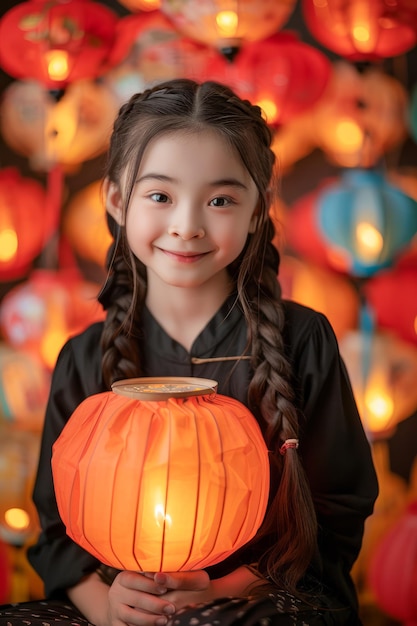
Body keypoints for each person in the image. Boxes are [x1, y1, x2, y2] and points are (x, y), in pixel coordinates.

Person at [0, 79, 378, 626]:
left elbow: (335, 513)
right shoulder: (84, 357)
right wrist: (104, 607)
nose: (187, 226)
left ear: (257, 211)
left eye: (221, 200)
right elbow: (56, 530)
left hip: (262, 602)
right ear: (116, 200)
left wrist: (216, 593)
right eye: (160, 196)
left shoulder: (302, 340)